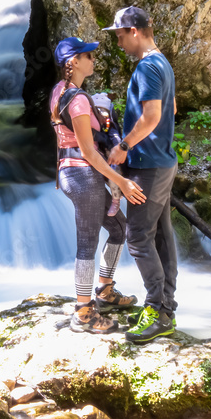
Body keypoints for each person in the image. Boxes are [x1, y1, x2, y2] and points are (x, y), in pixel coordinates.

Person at [50, 37, 145, 334]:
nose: (93, 59)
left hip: (76, 173)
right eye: (87, 55)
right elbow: (89, 151)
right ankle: (83, 312)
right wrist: (121, 181)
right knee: (87, 243)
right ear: (73, 62)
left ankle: (104, 290)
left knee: (119, 228)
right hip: (81, 175)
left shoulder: (61, 91)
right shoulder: (76, 100)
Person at [103, 6, 179, 344]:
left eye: (120, 36)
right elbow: (172, 109)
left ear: (134, 31)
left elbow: (152, 116)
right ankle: (166, 308)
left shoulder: (148, 66)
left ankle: (156, 309)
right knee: (160, 235)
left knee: (137, 237)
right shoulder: (162, 63)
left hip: (148, 165)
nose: (118, 43)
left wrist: (122, 147)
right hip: (162, 162)